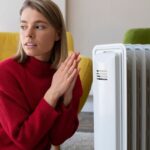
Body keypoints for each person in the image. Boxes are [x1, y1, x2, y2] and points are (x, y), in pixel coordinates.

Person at [0, 0, 83, 150]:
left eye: (39, 27)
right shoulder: (4, 73)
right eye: (23, 26)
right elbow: (23, 139)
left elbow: (57, 137)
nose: (28, 34)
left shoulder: (66, 75)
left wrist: (67, 98)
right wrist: (52, 93)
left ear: (57, 34)